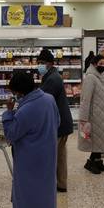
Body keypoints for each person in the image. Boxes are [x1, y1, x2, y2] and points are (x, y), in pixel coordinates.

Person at [2, 71, 60, 208]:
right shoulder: (49, 99)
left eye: (15, 92)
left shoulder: (26, 109)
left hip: (29, 160)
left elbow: (11, 134)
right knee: (46, 191)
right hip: (48, 156)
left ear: (19, 92)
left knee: (28, 194)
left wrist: (9, 112)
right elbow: (57, 121)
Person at [37, 48, 74, 192]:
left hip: (59, 124)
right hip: (61, 122)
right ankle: (60, 183)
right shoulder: (51, 76)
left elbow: (43, 100)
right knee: (60, 155)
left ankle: (57, 183)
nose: (40, 65)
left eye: (42, 62)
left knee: (55, 155)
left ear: (50, 63)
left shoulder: (53, 79)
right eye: (38, 62)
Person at [79, 55, 104, 174]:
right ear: (94, 64)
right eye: (100, 63)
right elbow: (86, 99)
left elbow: (102, 92)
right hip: (95, 114)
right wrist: (83, 118)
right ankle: (91, 163)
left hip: (103, 113)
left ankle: (97, 161)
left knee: (101, 139)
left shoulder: (102, 76)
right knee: (96, 139)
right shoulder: (91, 77)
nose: (103, 66)